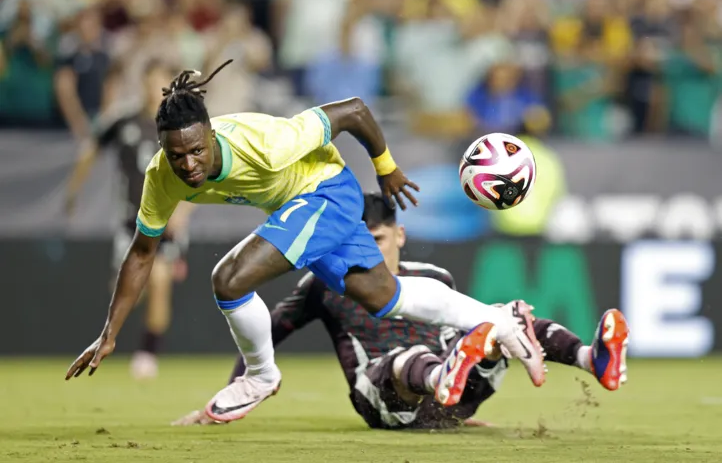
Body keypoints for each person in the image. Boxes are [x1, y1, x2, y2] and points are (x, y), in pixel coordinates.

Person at [65, 59, 547, 423]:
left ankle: (261, 375)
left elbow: (355, 111)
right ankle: (499, 320)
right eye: (176, 155)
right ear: (162, 149)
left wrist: (387, 169)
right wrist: (110, 333)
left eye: (196, 150)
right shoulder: (161, 178)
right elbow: (143, 252)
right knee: (385, 297)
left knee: (229, 279)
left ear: (212, 135)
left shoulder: (266, 142)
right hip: (300, 207)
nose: (189, 165)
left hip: (325, 191)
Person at [172, 193, 629, 428]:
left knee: (504, 315)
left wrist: (456, 414)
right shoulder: (325, 286)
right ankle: (442, 379)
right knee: (403, 360)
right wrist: (231, 395)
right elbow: (269, 332)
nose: (368, 251)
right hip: (380, 397)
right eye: (360, 241)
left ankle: (594, 359)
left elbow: (469, 325)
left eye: (380, 241)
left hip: (447, 401)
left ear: (401, 235)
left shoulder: (434, 278)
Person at [64, 60, 194, 379]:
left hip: (166, 220)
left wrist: (184, 213)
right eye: (150, 82)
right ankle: (112, 335)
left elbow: (198, 177)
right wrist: (72, 192)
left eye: (160, 82)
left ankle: (148, 353)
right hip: (130, 222)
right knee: (127, 291)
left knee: (160, 279)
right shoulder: (123, 122)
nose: (154, 89)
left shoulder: (181, 127)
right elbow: (90, 149)